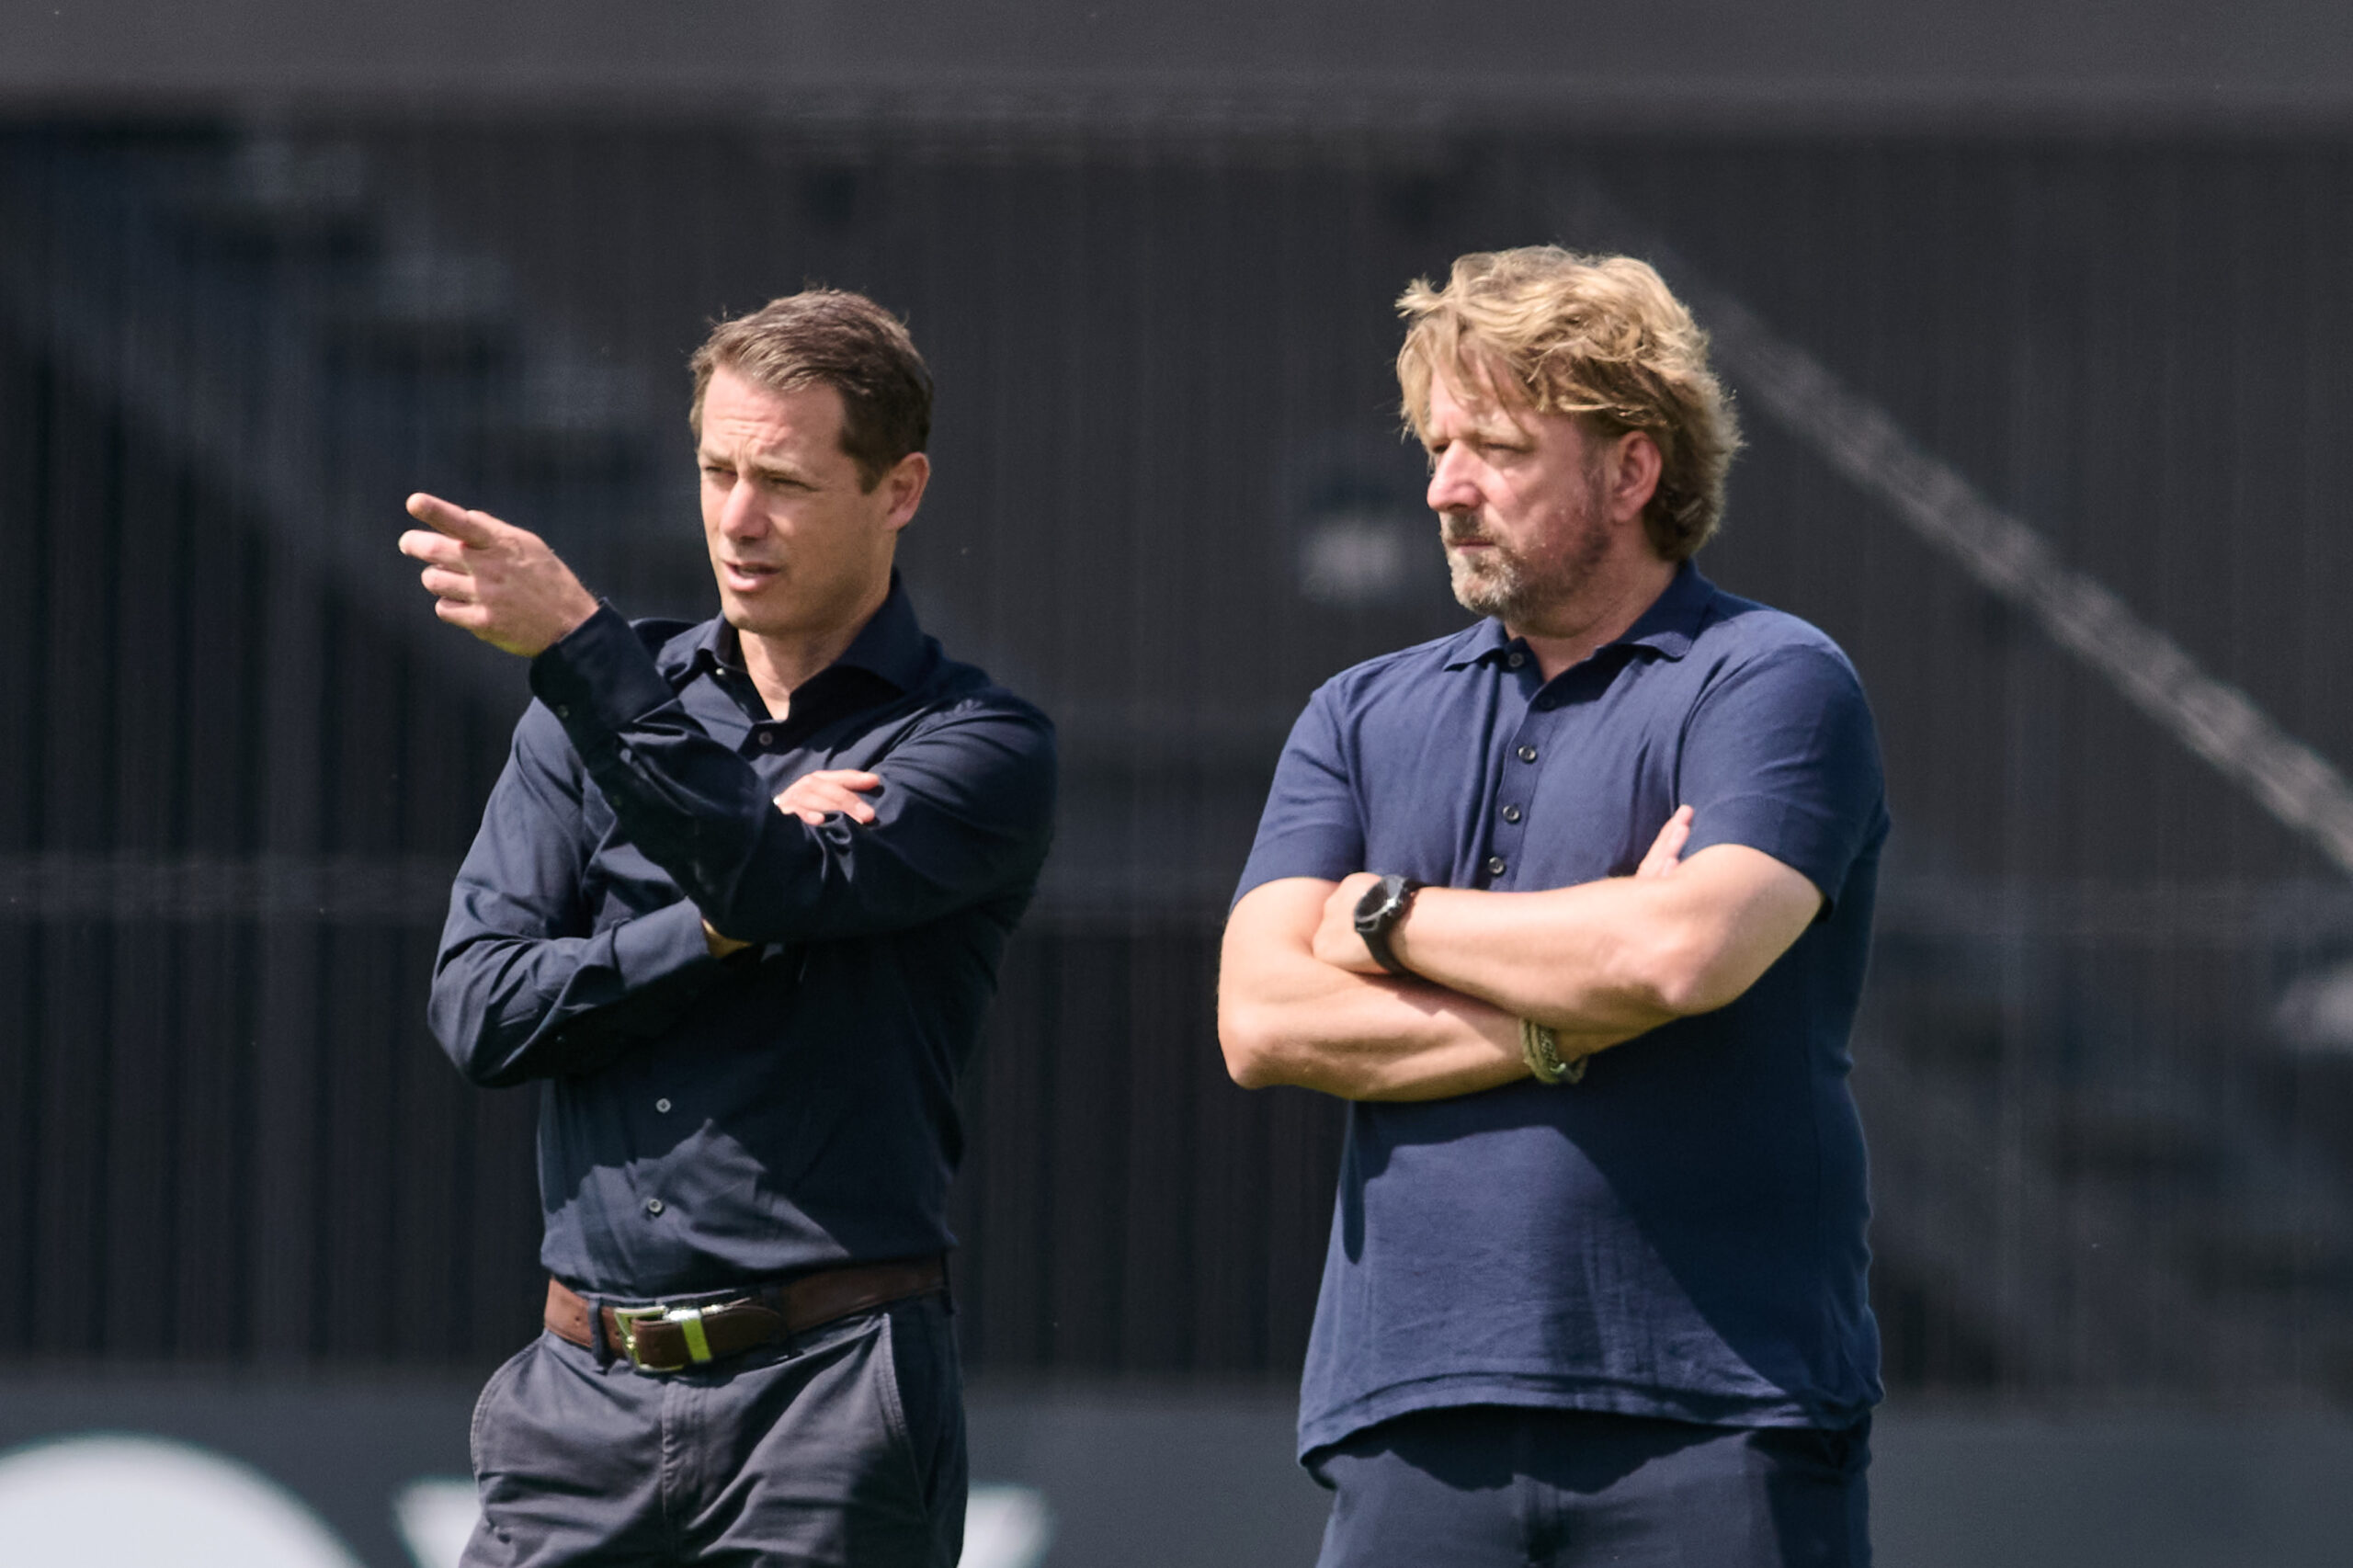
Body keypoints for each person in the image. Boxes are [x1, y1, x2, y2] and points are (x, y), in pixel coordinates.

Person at [1219, 247, 1887, 1567]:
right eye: (1438, 445)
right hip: (1410, 1411)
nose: (1443, 488)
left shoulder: (1772, 679)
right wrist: (1563, 1016)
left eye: (1497, 450)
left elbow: (1683, 951)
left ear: (1632, 470)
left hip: (1720, 1411)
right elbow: (1259, 1018)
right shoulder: (1356, 712)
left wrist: (1385, 914)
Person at [398, 289, 1056, 1567]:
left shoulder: (976, 746)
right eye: (716, 469)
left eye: (786, 482)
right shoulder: (587, 722)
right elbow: (479, 1011)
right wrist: (701, 926)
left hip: (826, 1399)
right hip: (575, 1392)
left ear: (899, 488)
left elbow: (777, 887)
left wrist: (584, 652)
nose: (737, 518)